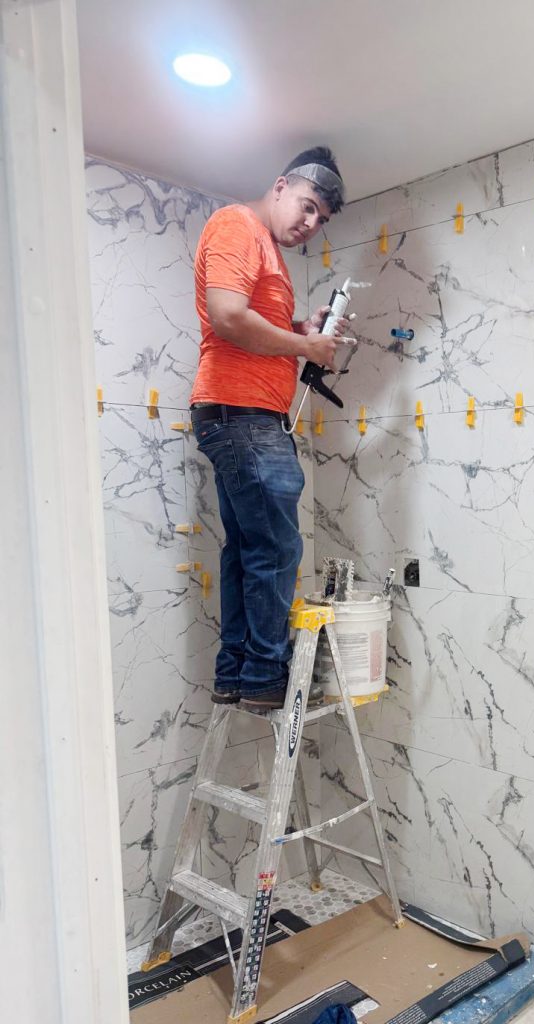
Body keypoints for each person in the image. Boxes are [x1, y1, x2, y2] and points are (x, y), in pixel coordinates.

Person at [190, 147, 349, 711]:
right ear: (281, 186)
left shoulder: (266, 248)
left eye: (320, 219)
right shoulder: (237, 225)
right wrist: (307, 347)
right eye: (307, 206)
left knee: (249, 549)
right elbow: (229, 317)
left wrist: (300, 328)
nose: (309, 223)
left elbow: (252, 322)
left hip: (240, 416)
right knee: (278, 548)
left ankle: (237, 672)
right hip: (243, 416)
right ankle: (263, 676)